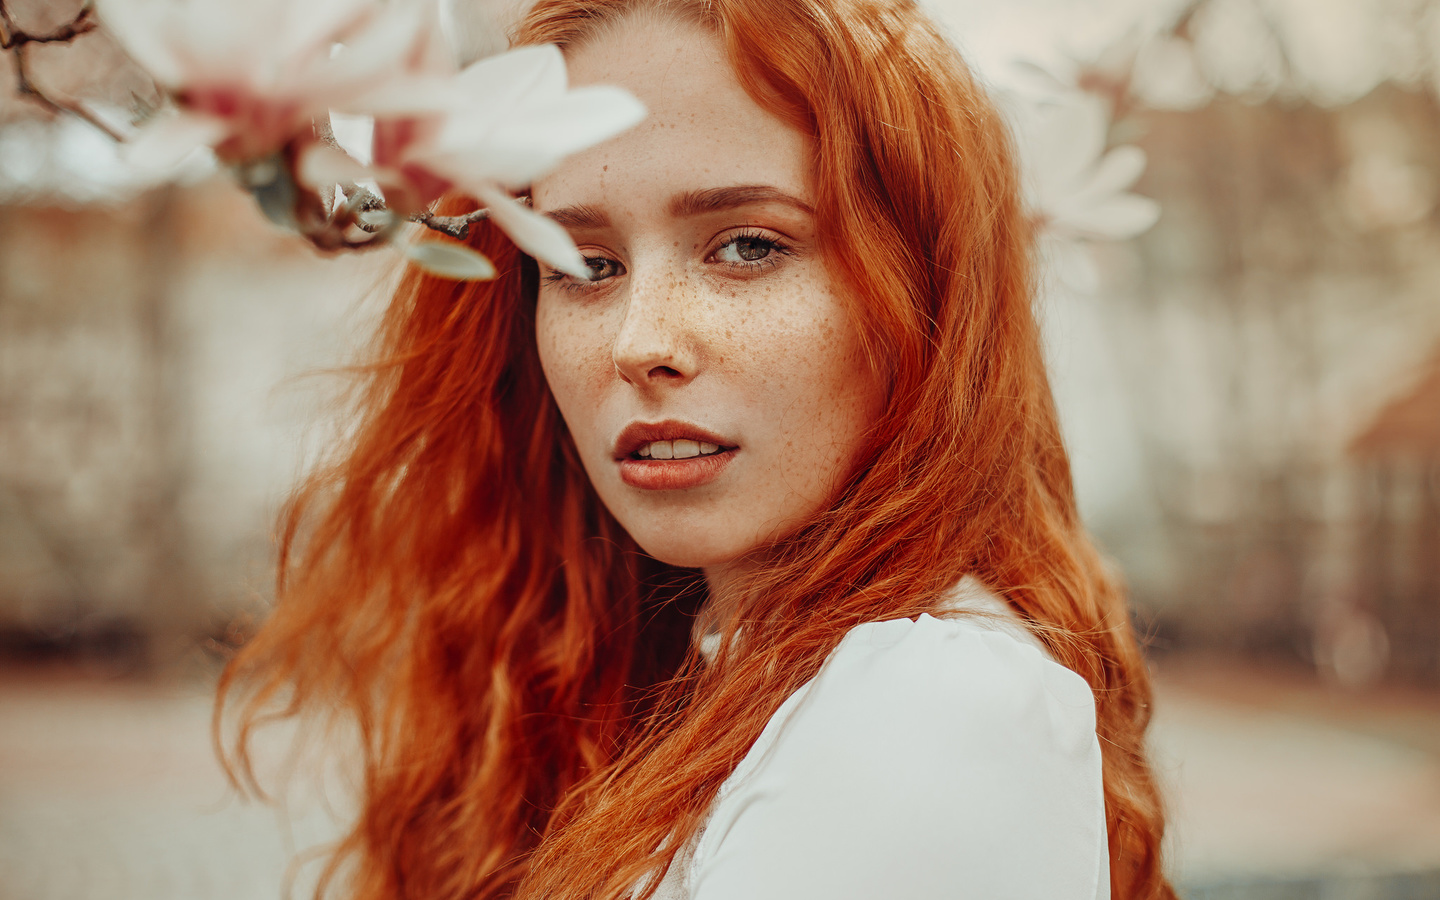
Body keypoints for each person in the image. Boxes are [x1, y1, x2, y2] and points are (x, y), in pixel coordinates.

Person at [218, 0, 1177, 898]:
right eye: (580, 263)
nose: (641, 342)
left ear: (927, 291)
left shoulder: (929, 710)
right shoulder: (705, 676)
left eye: (749, 246)